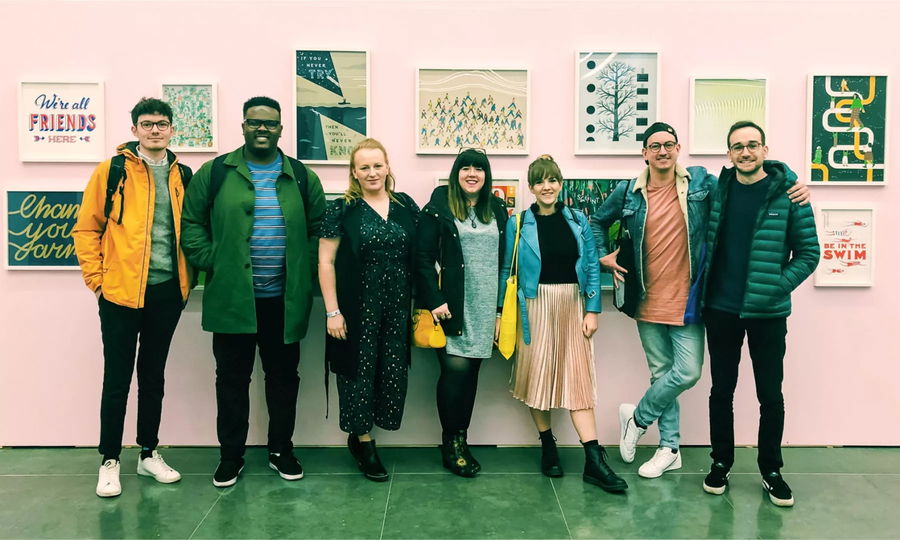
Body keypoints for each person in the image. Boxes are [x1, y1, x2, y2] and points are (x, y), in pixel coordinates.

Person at [590, 123, 810, 479]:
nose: (662, 151)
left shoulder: (701, 184)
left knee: (688, 372)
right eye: (654, 146)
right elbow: (597, 222)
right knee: (661, 373)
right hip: (645, 300)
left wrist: (793, 182)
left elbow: (752, 171)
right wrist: (603, 256)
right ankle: (669, 448)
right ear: (644, 153)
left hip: (690, 300)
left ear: (678, 148)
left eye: (669, 145)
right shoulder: (628, 192)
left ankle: (638, 417)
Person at [180, 96, 325, 487]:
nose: (262, 129)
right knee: (230, 380)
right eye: (254, 122)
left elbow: (318, 229)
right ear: (242, 126)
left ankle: (281, 450)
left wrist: (304, 266)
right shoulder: (215, 173)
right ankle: (231, 456)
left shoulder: (301, 175)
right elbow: (191, 224)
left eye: (270, 123)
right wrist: (214, 260)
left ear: (281, 129)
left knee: (283, 378)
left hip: (283, 301)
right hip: (233, 300)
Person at [73, 97, 191, 497]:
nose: (154, 130)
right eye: (147, 124)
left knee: (153, 377)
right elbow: (86, 228)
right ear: (134, 130)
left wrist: (186, 284)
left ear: (172, 128)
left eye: (161, 123)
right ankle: (109, 460)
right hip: (120, 294)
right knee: (117, 379)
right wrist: (97, 280)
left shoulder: (183, 175)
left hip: (166, 293)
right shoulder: (113, 171)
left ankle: (148, 454)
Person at [701, 121, 819, 507]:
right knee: (722, 391)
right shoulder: (719, 190)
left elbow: (809, 253)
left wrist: (774, 286)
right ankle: (721, 462)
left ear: (765, 149)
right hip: (721, 309)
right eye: (738, 147)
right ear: (729, 154)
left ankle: (771, 470)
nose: (746, 152)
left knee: (771, 394)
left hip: (768, 313)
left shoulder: (789, 194)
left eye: (752, 145)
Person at [500, 154, 627, 493]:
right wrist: (501, 313)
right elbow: (506, 271)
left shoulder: (577, 220)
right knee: (538, 378)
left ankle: (594, 461)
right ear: (531, 187)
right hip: (533, 305)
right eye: (540, 181)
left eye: (552, 180)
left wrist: (592, 309)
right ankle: (547, 444)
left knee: (578, 380)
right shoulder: (518, 222)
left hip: (572, 304)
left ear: (560, 183)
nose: (547, 186)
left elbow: (588, 267)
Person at [318, 138, 419, 482]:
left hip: (396, 309)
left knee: (391, 372)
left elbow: (422, 255)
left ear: (388, 166)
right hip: (355, 309)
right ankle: (364, 442)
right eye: (364, 167)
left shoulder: (406, 205)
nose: (372, 172)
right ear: (354, 172)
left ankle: (364, 435)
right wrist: (332, 312)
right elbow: (326, 261)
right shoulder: (341, 209)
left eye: (378, 165)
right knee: (357, 375)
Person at [415, 148, 508, 477]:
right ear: (456, 173)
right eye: (465, 168)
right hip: (450, 307)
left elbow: (503, 264)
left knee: (470, 376)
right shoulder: (439, 206)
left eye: (479, 169)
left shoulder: (496, 208)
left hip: (484, 308)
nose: (472, 174)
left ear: (486, 175)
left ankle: (461, 439)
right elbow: (422, 258)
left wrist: (499, 311)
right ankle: (451, 443)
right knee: (454, 373)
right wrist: (435, 299)